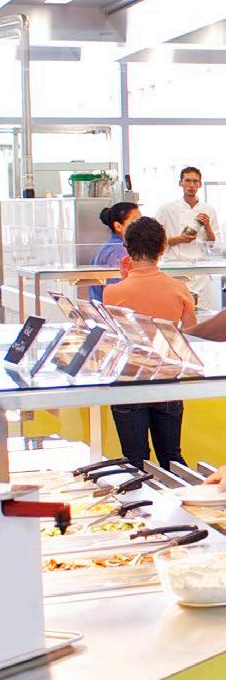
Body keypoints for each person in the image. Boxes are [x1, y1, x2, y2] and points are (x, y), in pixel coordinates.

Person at [102, 216, 196, 473]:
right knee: (171, 457)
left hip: (129, 380)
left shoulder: (113, 292)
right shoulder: (179, 288)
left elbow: (112, 338)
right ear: (163, 247)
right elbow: (190, 331)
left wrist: (125, 279)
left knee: (135, 460)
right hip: (166, 378)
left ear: (127, 247)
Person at [156, 166, 220, 313]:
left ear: (200, 184)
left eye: (195, 181)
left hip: (201, 273)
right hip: (175, 271)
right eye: (188, 181)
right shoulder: (167, 209)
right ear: (181, 183)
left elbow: (214, 246)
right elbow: (156, 241)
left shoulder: (209, 210)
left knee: (202, 316)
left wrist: (207, 226)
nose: (191, 185)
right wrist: (179, 239)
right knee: (174, 314)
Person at [89, 201, 140, 302]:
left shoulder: (107, 247)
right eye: (135, 221)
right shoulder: (119, 250)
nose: (141, 226)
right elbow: (119, 291)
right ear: (118, 226)